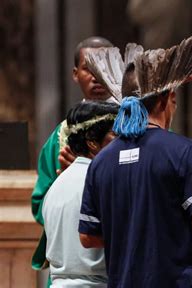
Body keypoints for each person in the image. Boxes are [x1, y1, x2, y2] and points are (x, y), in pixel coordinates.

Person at [78, 32, 192, 287]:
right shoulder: (184, 152)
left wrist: (131, 229)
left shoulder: (100, 162)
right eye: (175, 101)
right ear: (166, 100)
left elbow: (87, 236)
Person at [31, 36, 114, 272]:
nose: (97, 76)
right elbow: (40, 204)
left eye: (104, 68)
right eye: (89, 69)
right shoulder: (60, 137)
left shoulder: (135, 128)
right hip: (73, 258)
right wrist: (67, 183)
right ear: (75, 73)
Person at [42, 101, 118, 287]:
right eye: (115, 135)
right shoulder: (100, 182)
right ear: (92, 142)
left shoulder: (57, 184)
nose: (123, 142)